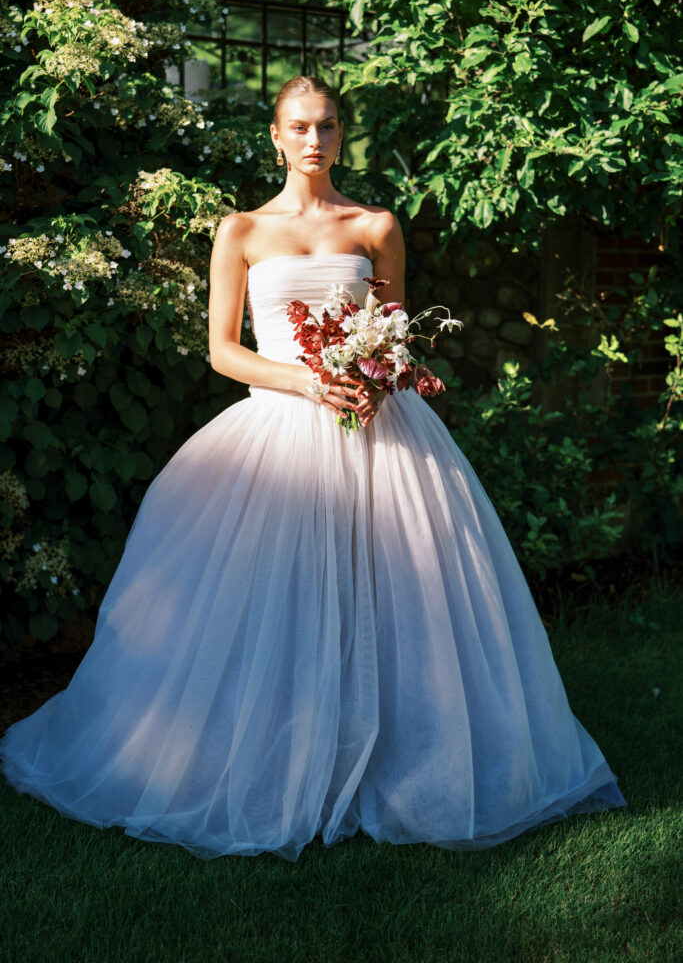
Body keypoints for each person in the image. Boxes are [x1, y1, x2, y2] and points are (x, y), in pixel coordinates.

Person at [0, 76, 627, 862]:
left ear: (341, 135)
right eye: (298, 127)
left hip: (380, 433)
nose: (313, 140)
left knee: (400, 592)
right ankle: (263, 754)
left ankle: (402, 753)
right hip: (278, 428)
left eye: (326, 126)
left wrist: (375, 373)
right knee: (265, 601)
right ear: (274, 136)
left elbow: (396, 331)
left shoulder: (375, 225)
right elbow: (221, 350)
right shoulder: (240, 231)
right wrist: (303, 377)